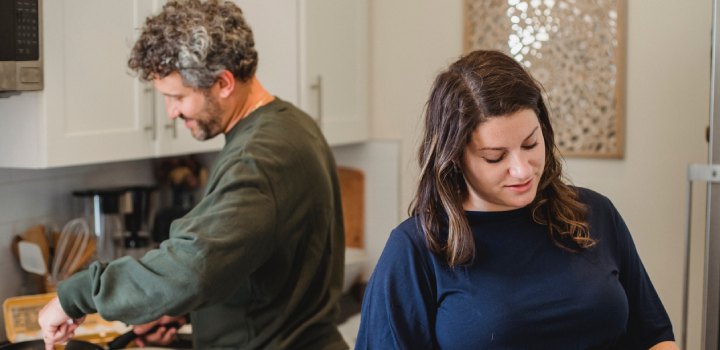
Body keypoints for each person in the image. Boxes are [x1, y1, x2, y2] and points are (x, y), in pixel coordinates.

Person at [37, 1, 348, 349]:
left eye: (177, 97)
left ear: (223, 82)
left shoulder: (259, 156)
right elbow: (250, 265)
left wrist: (75, 295)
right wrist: (180, 313)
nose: (171, 112)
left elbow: (192, 266)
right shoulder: (290, 125)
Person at [355, 50, 678, 349]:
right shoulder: (416, 249)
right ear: (454, 159)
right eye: (495, 157)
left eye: (530, 144)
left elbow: (654, 337)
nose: (522, 170)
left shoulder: (594, 214)